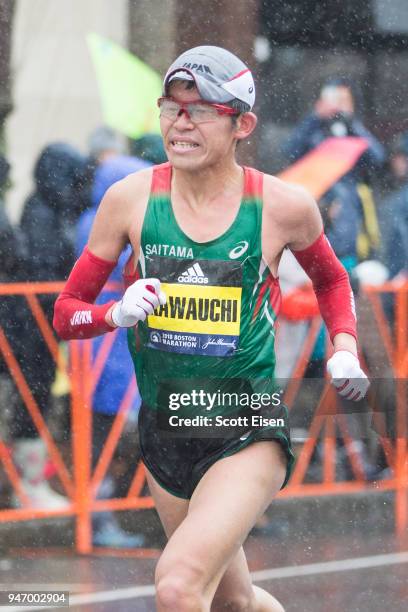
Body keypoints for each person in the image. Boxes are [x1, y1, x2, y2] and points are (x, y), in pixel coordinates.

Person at [54, 46, 369, 611]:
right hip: (168, 425)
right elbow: (66, 310)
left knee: (177, 585)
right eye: (171, 109)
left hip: (243, 424)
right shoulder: (129, 200)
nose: (181, 124)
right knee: (233, 603)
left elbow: (333, 282)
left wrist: (344, 347)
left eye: (200, 111)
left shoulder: (281, 206)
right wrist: (114, 314)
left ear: (241, 123)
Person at [77, 153, 150, 547]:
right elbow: (133, 269)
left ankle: (102, 517)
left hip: (105, 336)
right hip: (108, 337)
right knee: (102, 434)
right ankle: (99, 520)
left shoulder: (90, 218)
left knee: (102, 433)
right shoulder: (105, 223)